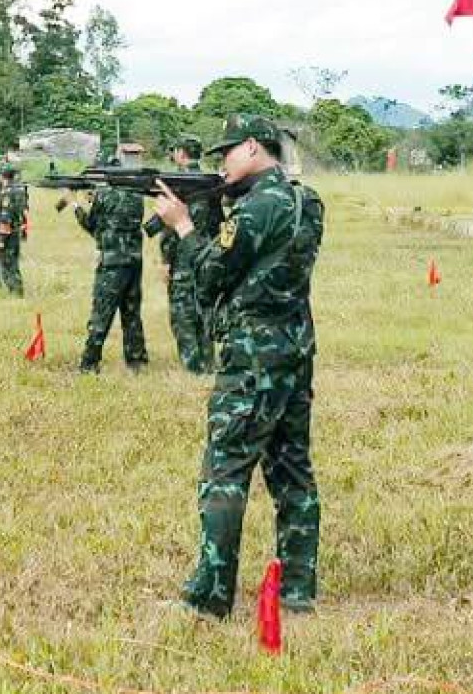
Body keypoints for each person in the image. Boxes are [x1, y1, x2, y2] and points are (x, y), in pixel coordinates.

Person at [152, 114, 322, 618]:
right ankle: (298, 588)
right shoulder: (304, 201)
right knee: (293, 470)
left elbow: (209, 277)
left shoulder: (254, 209)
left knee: (225, 469)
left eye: (227, 152)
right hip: (296, 346)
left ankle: (210, 596)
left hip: (252, 354)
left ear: (253, 147)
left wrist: (184, 227)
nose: (221, 164)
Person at [146, 136, 222, 373]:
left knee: (183, 319)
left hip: (184, 261)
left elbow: (169, 231)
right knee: (204, 315)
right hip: (207, 255)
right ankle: (209, 364)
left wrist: (166, 261)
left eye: (175, 151)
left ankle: (193, 370)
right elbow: (219, 222)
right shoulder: (212, 184)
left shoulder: (178, 185)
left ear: (181, 153)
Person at [74, 171, 147, 372]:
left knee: (101, 313)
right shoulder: (137, 195)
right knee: (131, 312)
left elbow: (93, 226)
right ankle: (136, 359)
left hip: (112, 262)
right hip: (134, 260)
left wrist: (77, 207)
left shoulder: (104, 195)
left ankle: (89, 362)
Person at [0, 164, 29, 296]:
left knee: (6, 264)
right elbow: (24, 212)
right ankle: (18, 290)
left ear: (2, 176)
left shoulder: (7, 192)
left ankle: (14, 291)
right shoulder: (20, 189)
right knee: (14, 263)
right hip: (16, 231)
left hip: (7, 234)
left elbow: (5, 217)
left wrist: (1, 239)